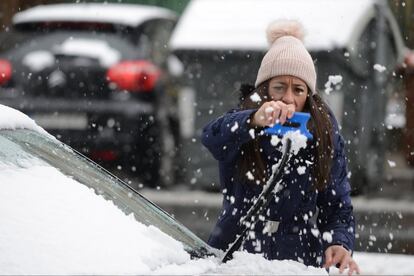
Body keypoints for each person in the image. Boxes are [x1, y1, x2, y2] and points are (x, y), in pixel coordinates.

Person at [201, 20, 360, 275]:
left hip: (299, 258)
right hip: (236, 252)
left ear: (308, 96)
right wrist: (254, 121)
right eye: (279, 87)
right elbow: (211, 137)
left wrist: (339, 243)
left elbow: (337, 204)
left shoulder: (324, 131)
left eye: (298, 89)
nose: (288, 98)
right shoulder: (244, 120)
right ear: (264, 90)